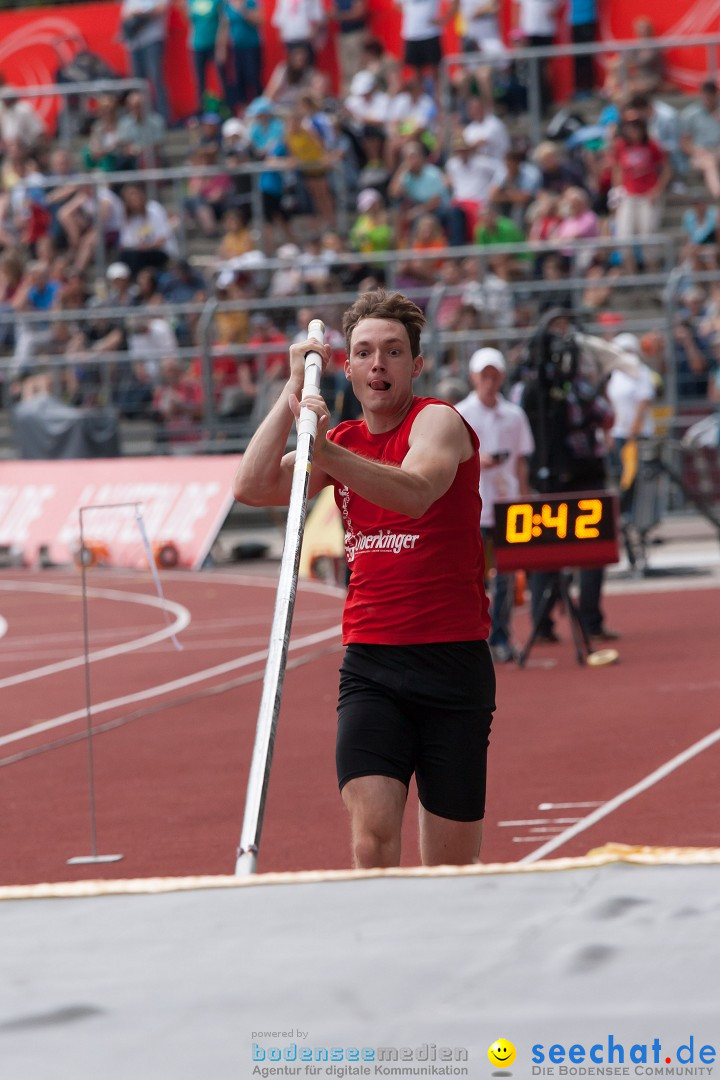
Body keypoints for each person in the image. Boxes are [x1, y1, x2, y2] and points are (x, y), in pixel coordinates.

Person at [233, 289, 495, 869]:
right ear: (345, 366)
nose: (379, 363)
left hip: (452, 662)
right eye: (365, 352)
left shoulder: (439, 423)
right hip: (372, 664)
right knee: (371, 840)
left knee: (451, 872)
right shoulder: (340, 444)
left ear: (416, 364)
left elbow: (416, 494)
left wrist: (324, 450)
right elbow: (251, 487)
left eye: (394, 351)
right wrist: (294, 394)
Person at [455, 348, 534, 663]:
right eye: (484, 375)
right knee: (473, 578)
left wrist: (525, 501)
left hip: (506, 506)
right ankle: (472, 639)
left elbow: (521, 463)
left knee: (504, 578)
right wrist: (477, 460)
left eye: (494, 375)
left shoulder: (514, 415)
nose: (489, 381)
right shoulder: (460, 414)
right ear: (474, 377)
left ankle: (499, 636)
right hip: (473, 506)